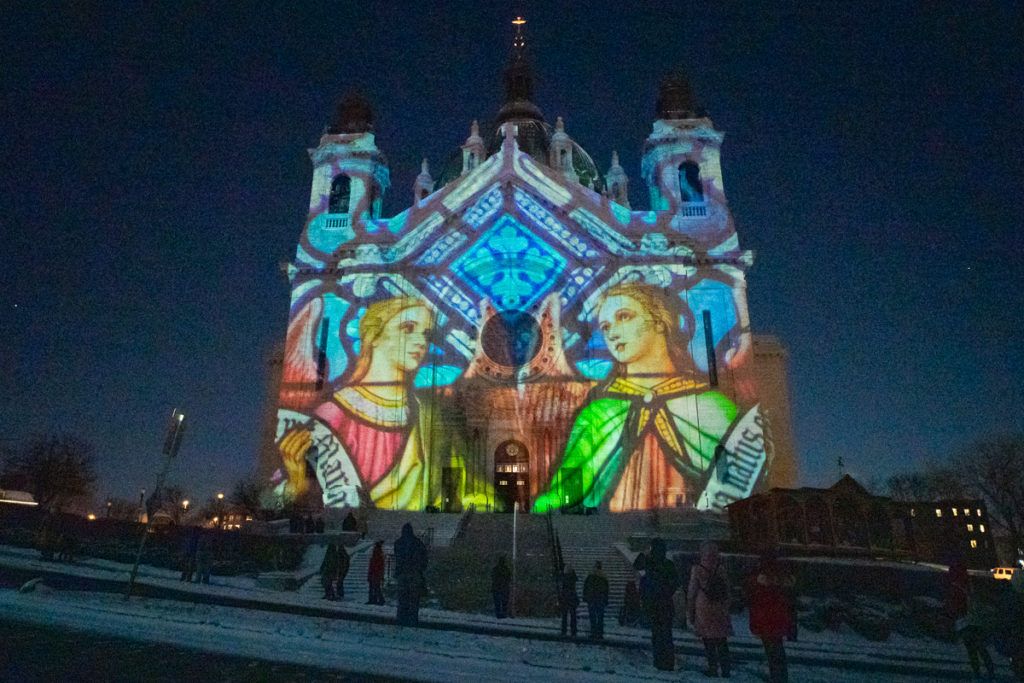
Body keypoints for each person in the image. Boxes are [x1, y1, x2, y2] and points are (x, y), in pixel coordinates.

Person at [533, 281, 738, 513]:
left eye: (624, 317)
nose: (612, 333)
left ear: (659, 321)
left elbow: (736, 479)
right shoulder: (598, 413)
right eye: (605, 327)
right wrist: (547, 503)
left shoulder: (714, 406)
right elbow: (572, 483)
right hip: (610, 526)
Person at [278, 297, 476, 511]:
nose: (421, 341)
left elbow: (458, 486)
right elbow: (291, 493)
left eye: (427, 334)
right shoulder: (333, 415)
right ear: (374, 336)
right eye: (408, 328)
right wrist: (296, 482)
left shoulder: (429, 414)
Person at [747, 551, 795, 683]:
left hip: (766, 620)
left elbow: (756, 600)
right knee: (778, 649)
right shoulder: (783, 579)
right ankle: (780, 677)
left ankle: (776, 677)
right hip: (779, 618)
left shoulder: (760, 580)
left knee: (771, 651)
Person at [687, 540, 732, 678]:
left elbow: (692, 592)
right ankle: (726, 669)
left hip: (704, 607)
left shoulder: (697, 569)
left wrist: (690, 612)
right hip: (720, 607)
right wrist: (726, 607)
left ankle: (713, 668)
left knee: (708, 640)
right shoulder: (721, 569)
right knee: (722, 640)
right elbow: (727, 590)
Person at [945, 556, 994, 678]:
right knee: (979, 649)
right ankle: (989, 673)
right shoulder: (968, 585)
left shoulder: (957, 588)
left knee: (973, 650)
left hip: (965, 622)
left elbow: (956, 607)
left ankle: (979, 673)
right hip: (973, 621)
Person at [641, 538, 679, 671]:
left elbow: (637, 565)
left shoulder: (650, 562)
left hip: (653, 604)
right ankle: (668, 662)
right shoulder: (668, 564)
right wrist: (666, 592)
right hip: (666, 604)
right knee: (666, 635)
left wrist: (645, 554)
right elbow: (675, 583)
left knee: (657, 635)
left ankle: (659, 661)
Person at [394, 523, 427, 626]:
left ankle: (402, 619)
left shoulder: (399, 543)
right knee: (413, 600)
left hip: (404, 574)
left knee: (403, 599)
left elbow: (398, 559)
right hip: (414, 574)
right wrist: (419, 569)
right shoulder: (418, 543)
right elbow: (424, 559)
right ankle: (412, 620)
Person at [583, 561, 610, 640]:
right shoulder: (604, 577)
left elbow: (586, 587)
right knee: (600, 617)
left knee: (593, 616)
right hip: (600, 599)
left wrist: (585, 597)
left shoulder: (590, 576)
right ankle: (600, 633)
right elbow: (606, 590)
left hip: (592, 599)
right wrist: (605, 599)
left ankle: (593, 632)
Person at [558, 564, 580, 638]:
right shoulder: (573, 577)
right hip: (572, 598)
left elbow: (560, 586)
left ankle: (564, 630)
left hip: (565, 598)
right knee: (573, 615)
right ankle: (573, 631)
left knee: (564, 616)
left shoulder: (564, 577)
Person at [367, 540, 386, 605]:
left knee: (375, 587)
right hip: (375, 574)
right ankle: (376, 599)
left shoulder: (377, 555)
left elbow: (374, 566)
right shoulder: (379, 555)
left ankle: (375, 599)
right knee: (376, 587)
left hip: (374, 574)